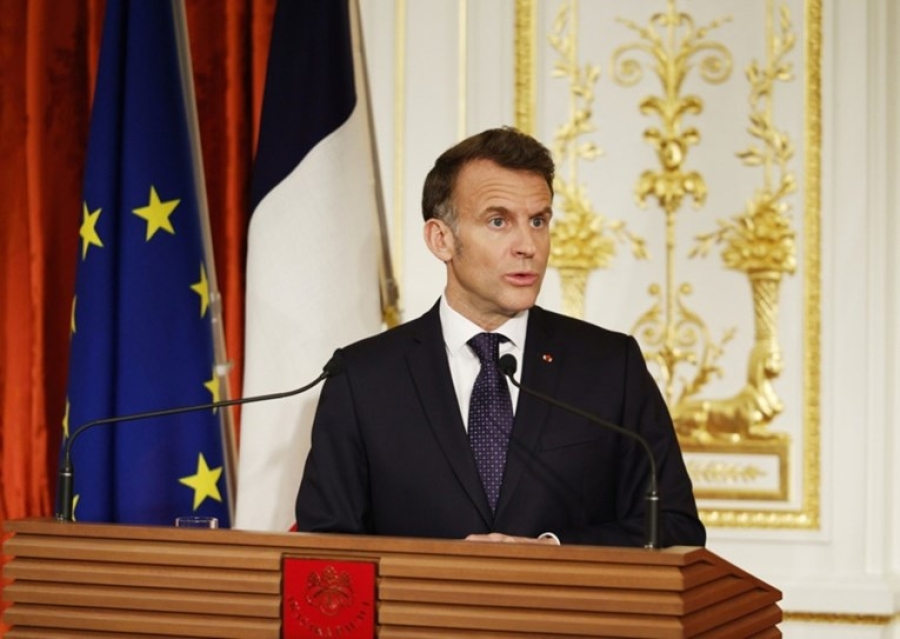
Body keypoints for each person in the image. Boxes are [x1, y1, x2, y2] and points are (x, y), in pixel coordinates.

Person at [295, 126, 705, 547]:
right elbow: (327, 545)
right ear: (441, 239)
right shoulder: (363, 378)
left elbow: (673, 526)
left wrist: (552, 552)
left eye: (538, 221)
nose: (528, 245)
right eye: (498, 221)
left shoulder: (610, 366)